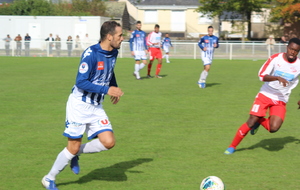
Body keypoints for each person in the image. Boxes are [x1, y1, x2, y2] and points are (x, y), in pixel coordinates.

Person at [41, 20, 124, 190]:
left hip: (96, 106)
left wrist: (113, 87)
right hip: (79, 105)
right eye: (120, 35)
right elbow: (81, 82)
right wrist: (106, 90)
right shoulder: (91, 54)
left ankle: (74, 154)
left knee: (108, 142)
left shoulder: (113, 52)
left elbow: (109, 70)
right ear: (109, 37)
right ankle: (49, 178)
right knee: (72, 146)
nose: (122, 39)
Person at [224, 38, 300, 155]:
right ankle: (232, 146)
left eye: (296, 50)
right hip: (265, 94)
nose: (292, 52)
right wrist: (277, 77)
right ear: (287, 47)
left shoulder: (298, 64)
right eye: (291, 49)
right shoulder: (275, 58)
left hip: (281, 98)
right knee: (250, 122)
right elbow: (261, 75)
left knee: (273, 128)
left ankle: (259, 120)